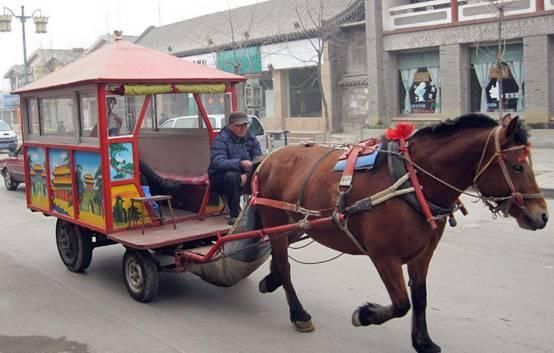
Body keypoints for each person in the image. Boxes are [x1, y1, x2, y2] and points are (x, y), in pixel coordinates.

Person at [208, 111, 262, 225]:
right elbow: (218, 162)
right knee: (232, 177)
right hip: (221, 178)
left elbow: (258, 158)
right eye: (239, 126)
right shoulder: (221, 139)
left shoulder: (251, 138)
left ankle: (261, 211)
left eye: (245, 125)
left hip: (246, 174)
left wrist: (247, 176)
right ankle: (234, 215)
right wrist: (240, 164)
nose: (242, 129)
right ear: (230, 125)